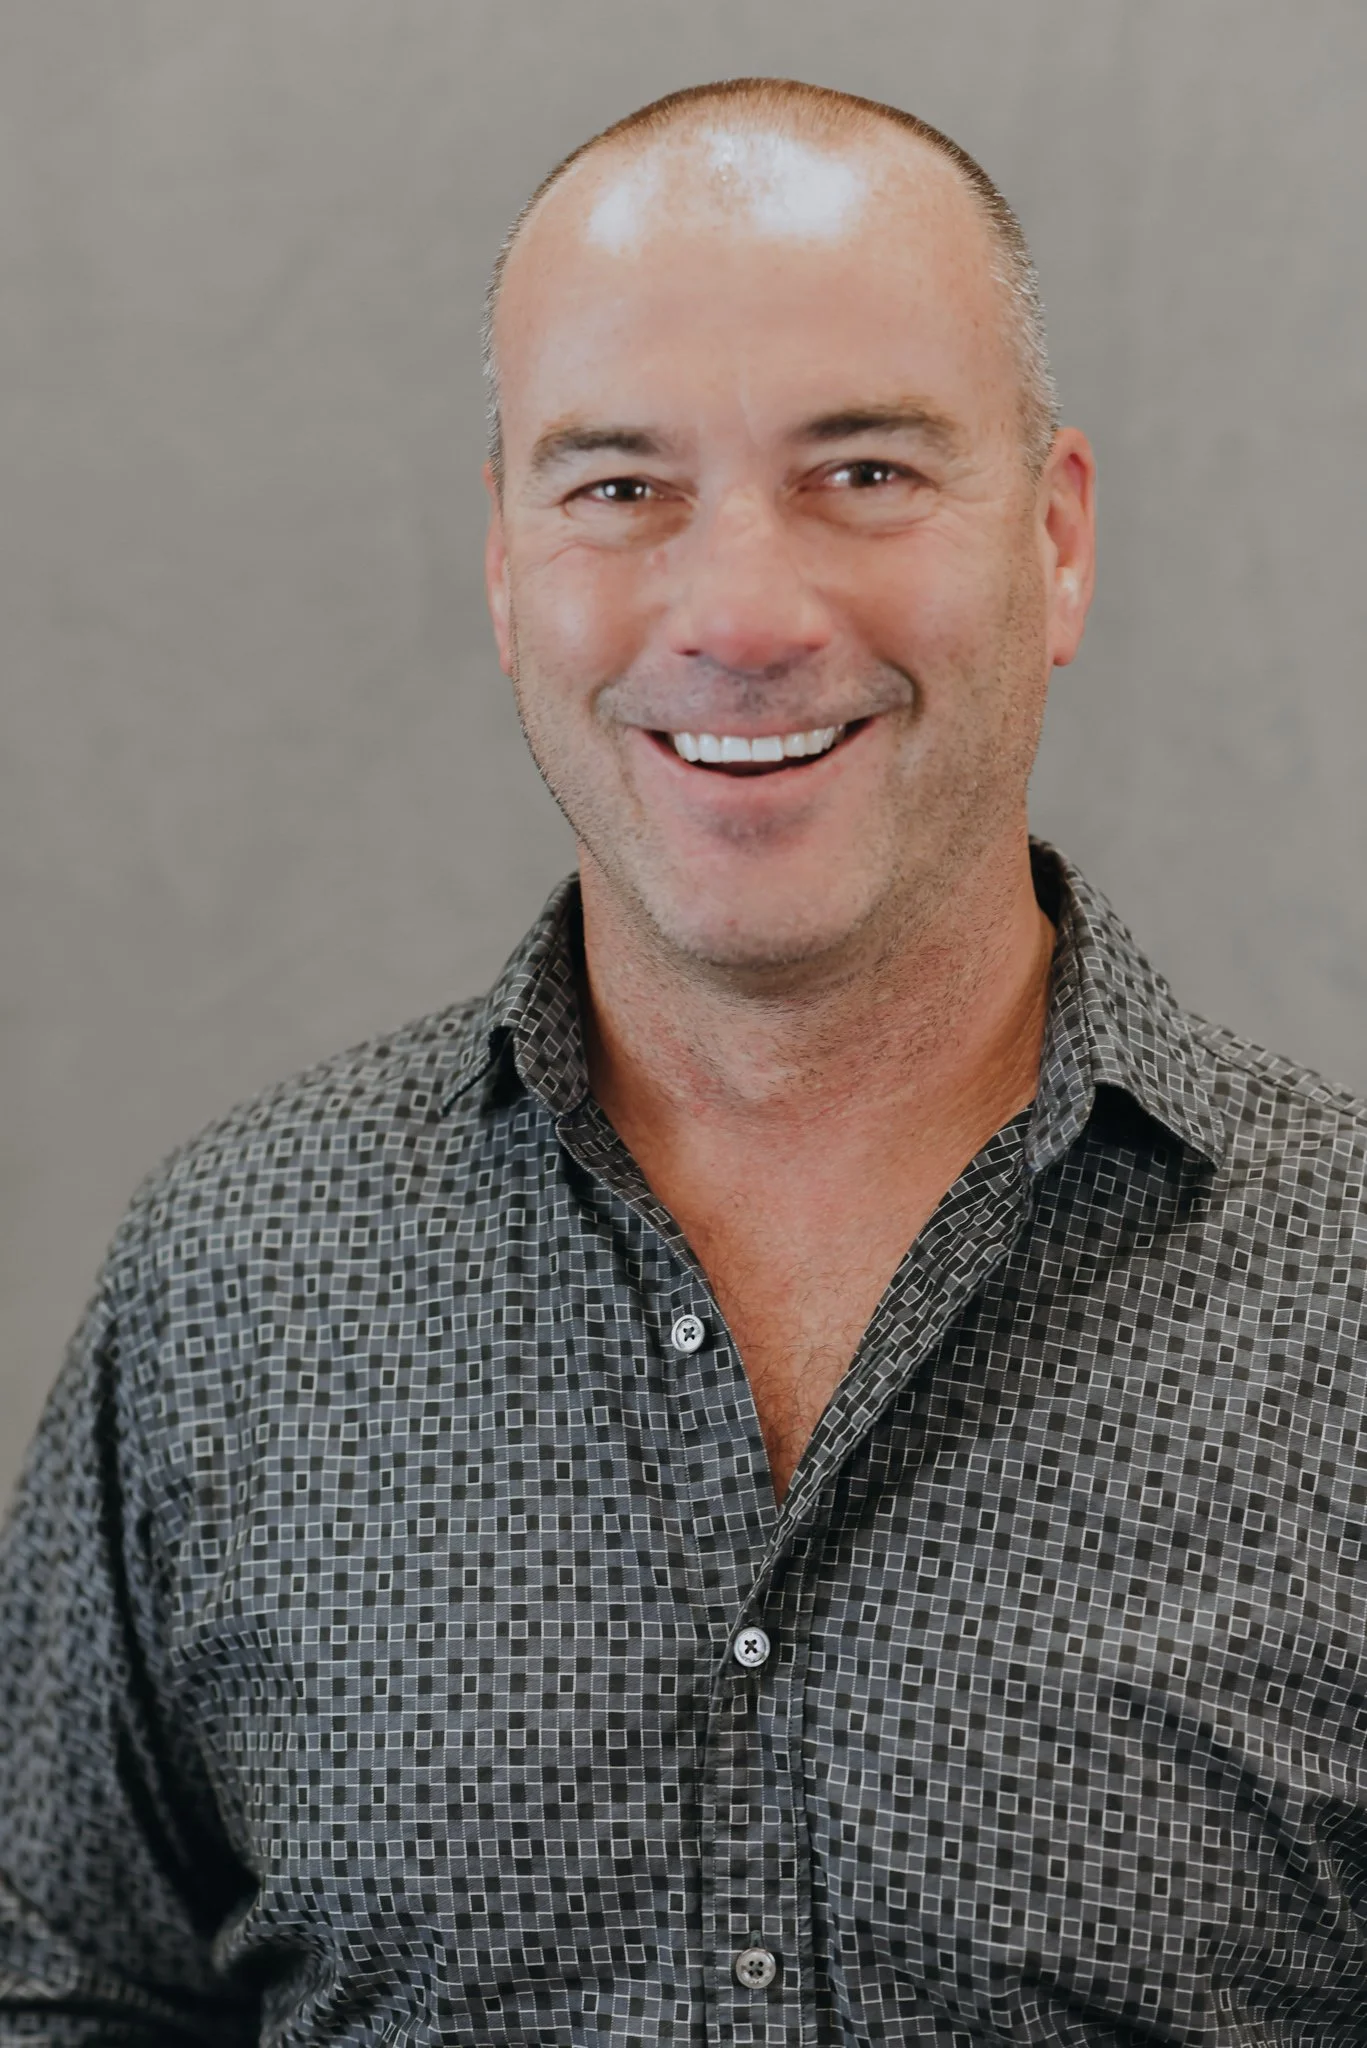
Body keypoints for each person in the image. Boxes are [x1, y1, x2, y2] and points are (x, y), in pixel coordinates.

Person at [3, 72, 1366, 2048]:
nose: (735, 612)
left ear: (1053, 543)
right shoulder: (234, 1285)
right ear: (501, 557)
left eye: (864, 473)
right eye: (618, 487)